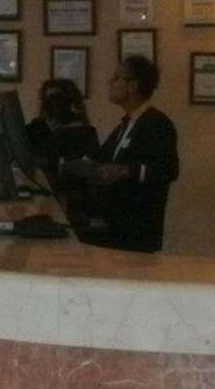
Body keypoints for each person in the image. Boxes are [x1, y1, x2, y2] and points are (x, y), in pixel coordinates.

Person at [63, 55, 179, 253]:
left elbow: (167, 170)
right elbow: (97, 157)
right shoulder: (125, 125)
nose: (110, 82)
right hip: (113, 224)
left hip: (134, 233)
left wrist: (125, 170)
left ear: (132, 86)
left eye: (117, 78)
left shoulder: (157, 124)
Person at [26, 77, 99, 188]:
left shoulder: (83, 133)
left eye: (58, 100)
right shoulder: (37, 129)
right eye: (48, 101)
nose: (53, 107)